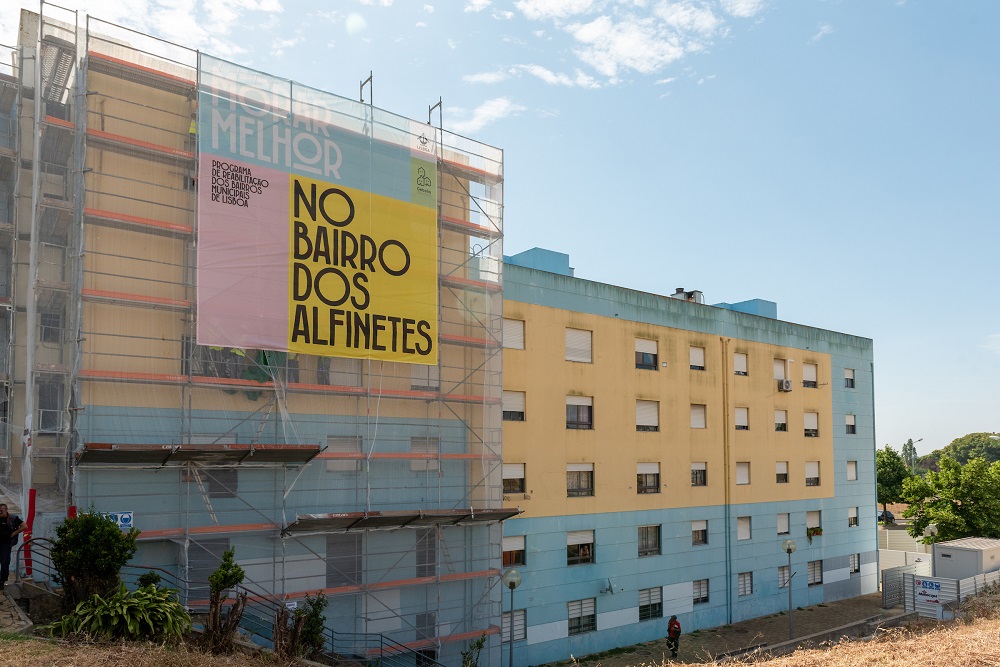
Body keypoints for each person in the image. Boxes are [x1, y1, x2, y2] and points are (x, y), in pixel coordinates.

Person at [0, 504, 25, 591]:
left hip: (6, 544)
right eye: (0, 510)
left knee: (4, 563)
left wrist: (14, 533)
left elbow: (24, 526)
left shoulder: (12, 518)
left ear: (6, 510)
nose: (1, 512)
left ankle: (3, 582)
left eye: (3, 510)